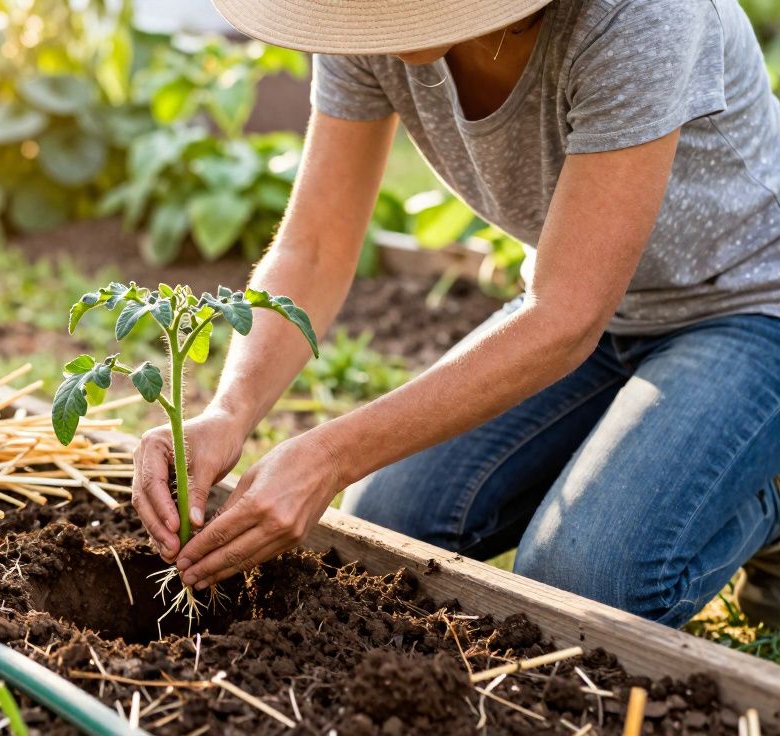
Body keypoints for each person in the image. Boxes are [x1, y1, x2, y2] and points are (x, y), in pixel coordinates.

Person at [131, 0, 780, 629]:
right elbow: (315, 246)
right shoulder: (365, 17)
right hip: (604, 313)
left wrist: (329, 453)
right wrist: (229, 410)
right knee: (388, 520)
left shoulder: (638, 14)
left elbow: (564, 319)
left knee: (579, 583)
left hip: (751, 308)